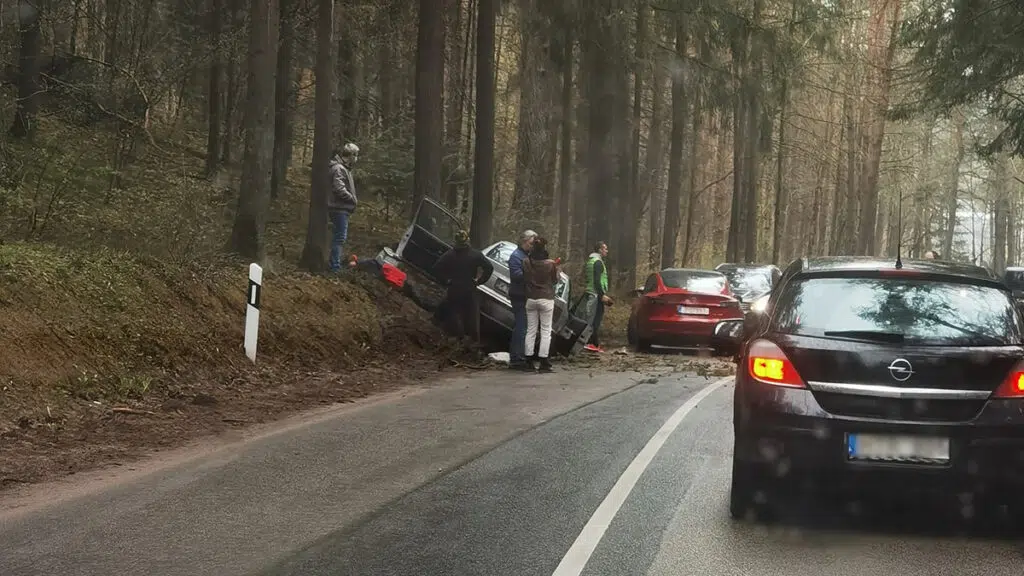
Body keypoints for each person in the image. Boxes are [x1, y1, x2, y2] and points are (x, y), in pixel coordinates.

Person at [434, 229, 494, 344]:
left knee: (454, 313)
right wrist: (479, 281)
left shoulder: (449, 255)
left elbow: (436, 268)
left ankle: (455, 338)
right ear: (468, 241)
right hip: (469, 288)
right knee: (472, 318)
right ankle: (473, 343)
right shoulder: (476, 254)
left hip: (454, 289)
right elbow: (489, 268)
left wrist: (446, 280)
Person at [523, 237, 559, 372]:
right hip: (546, 298)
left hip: (531, 298)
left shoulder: (526, 262)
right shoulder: (550, 264)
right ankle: (544, 361)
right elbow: (555, 280)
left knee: (530, 330)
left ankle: (528, 360)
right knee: (545, 331)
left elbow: (525, 278)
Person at [507, 230, 537, 370]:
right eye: (531, 243)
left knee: (525, 327)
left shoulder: (527, 256)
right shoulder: (516, 256)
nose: (532, 246)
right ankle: (516, 358)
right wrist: (531, 273)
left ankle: (521, 356)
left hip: (526, 295)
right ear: (524, 241)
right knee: (521, 327)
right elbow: (516, 275)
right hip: (519, 295)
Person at [328, 143, 360, 272]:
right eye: (356, 155)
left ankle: (335, 263)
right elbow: (339, 188)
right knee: (340, 237)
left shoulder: (344, 168)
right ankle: (334, 267)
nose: (356, 158)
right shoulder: (339, 168)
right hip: (339, 208)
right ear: (351, 155)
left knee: (339, 237)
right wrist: (351, 198)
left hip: (341, 208)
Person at [584, 241, 613, 352]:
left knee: (591, 318)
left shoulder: (591, 261)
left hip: (591, 293)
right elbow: (597, 281)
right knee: (594, 320)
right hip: (596, 295)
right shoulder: (598, 263)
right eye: (605, 249)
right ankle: (592, 343)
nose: (607, 251)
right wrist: (602, 296)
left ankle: (594, 344)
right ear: (600, 250)